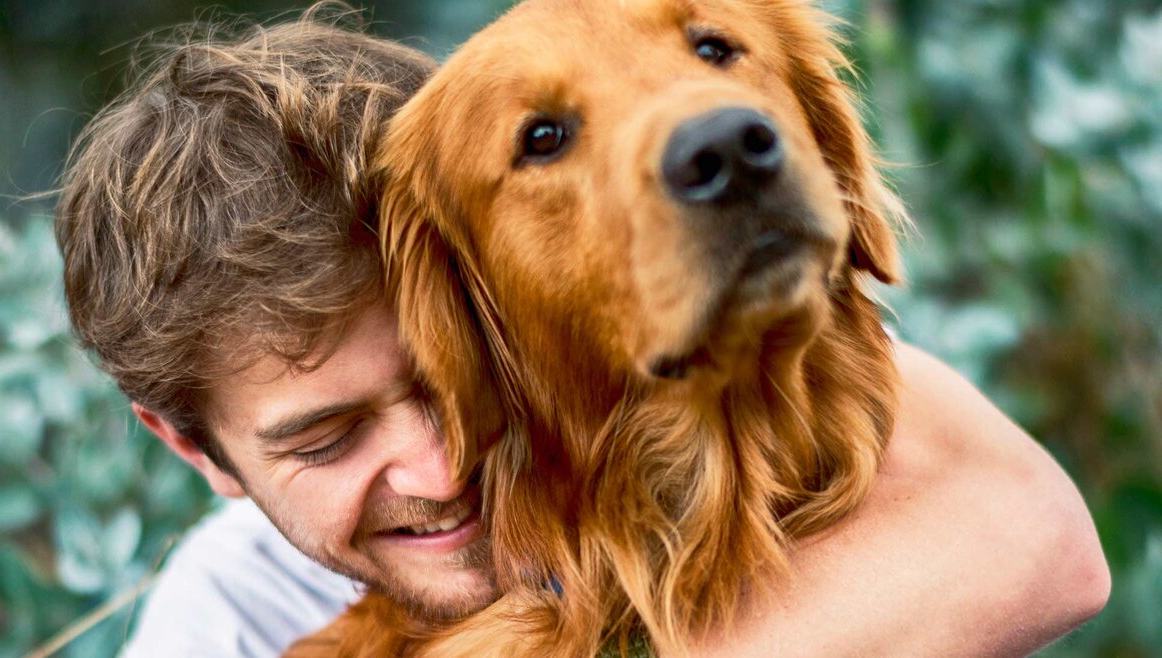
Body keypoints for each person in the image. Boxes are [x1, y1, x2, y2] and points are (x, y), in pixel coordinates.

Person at [54, 11, 1109, 658]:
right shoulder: (227, 618)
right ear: (193, 447)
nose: (445, 460)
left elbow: (1042, 543)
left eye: (455, 369)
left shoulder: (757, 375)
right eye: (325, 439)